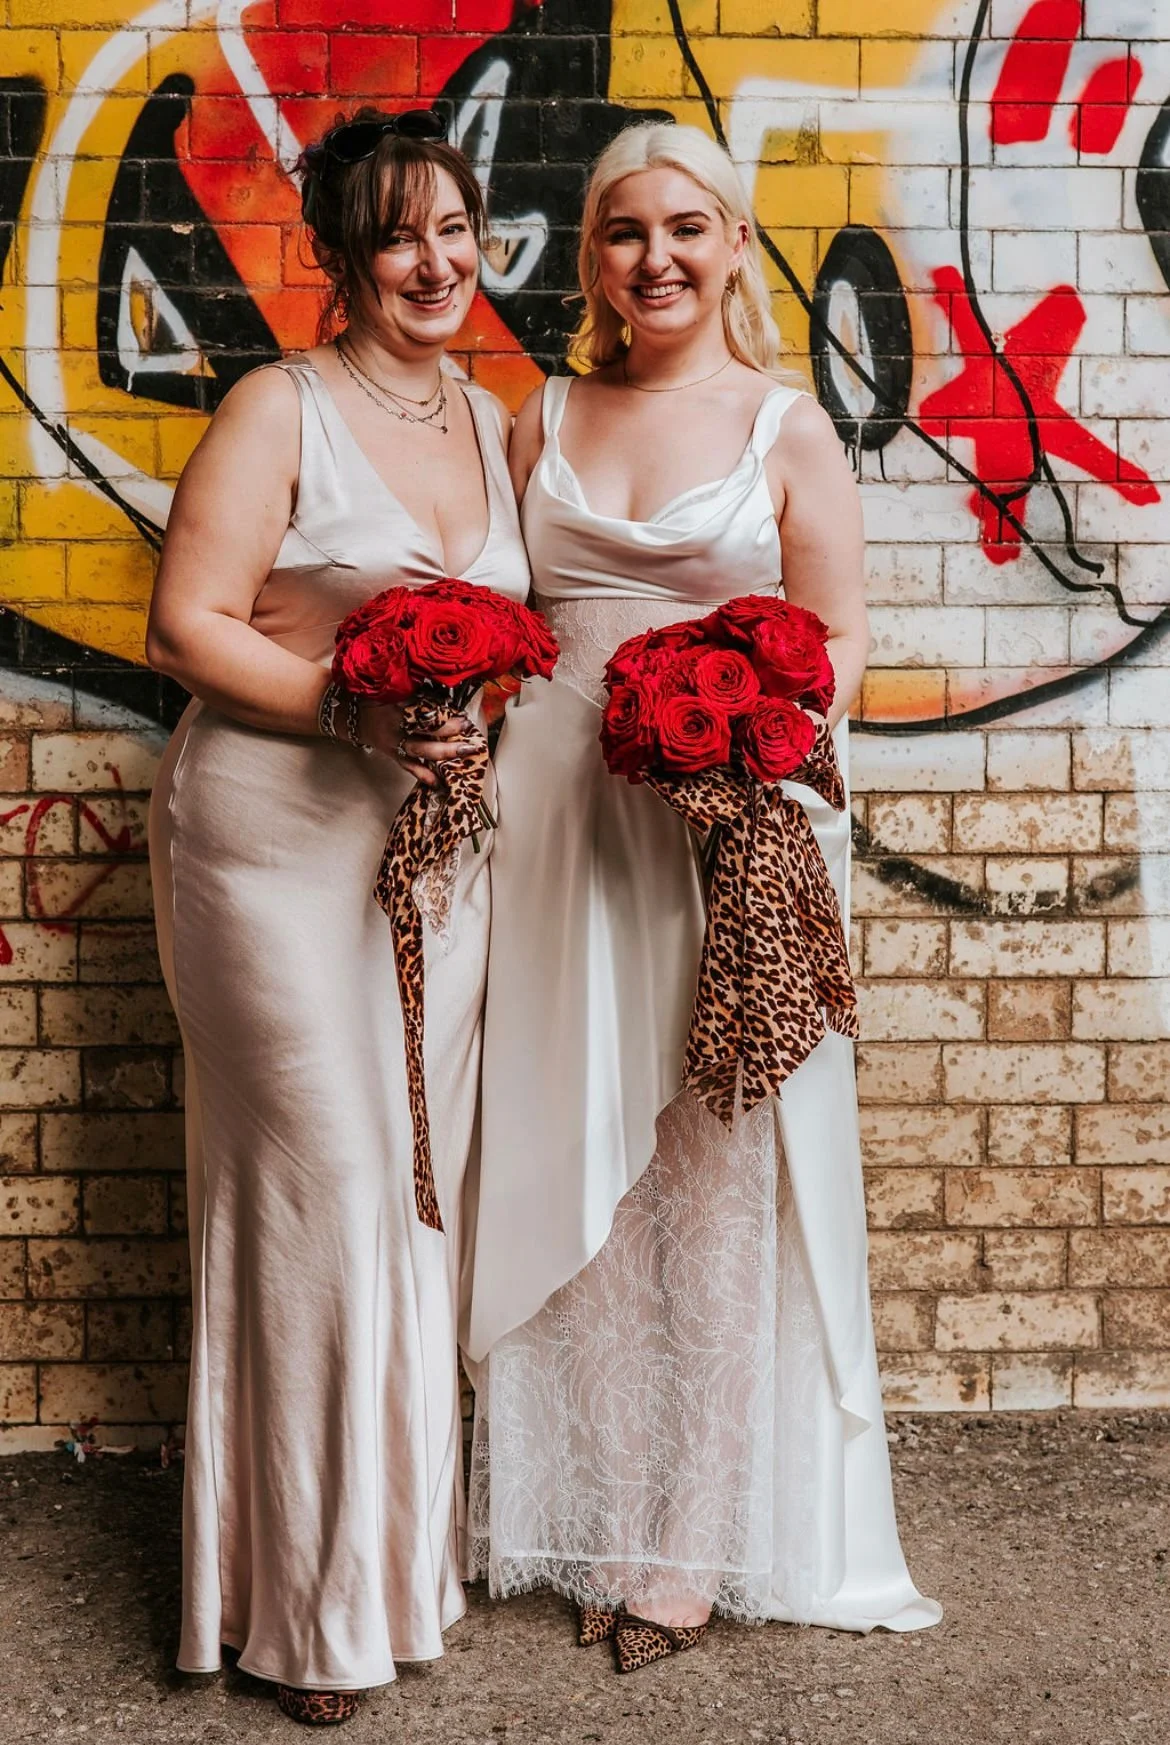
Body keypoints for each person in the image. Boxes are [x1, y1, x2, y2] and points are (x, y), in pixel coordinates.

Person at [462, 121, 941, 1672]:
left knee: (719, 1186)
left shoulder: (786, 424)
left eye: (685, 228)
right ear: (591, 258)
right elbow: (502, 606)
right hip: (554, 826)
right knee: (579, 1172)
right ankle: (594, 1512)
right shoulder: (538, 415)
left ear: (736, 244)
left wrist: (768, 742)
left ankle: (688, 1542)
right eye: (620, 233)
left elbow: (841, 635)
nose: (653, 258)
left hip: (725, 832)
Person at [146, 109, 530, 1725]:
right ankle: (298, 1611)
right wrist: (351, 714)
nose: (435, 263)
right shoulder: (275, 407)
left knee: (410, 1211)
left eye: (457, 230)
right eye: (397, 236)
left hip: (438, 864)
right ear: (340, 256)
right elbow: (183, 625)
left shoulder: (497, 421)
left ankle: (387, 1570)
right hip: (272, 851)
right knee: (328, 1197)